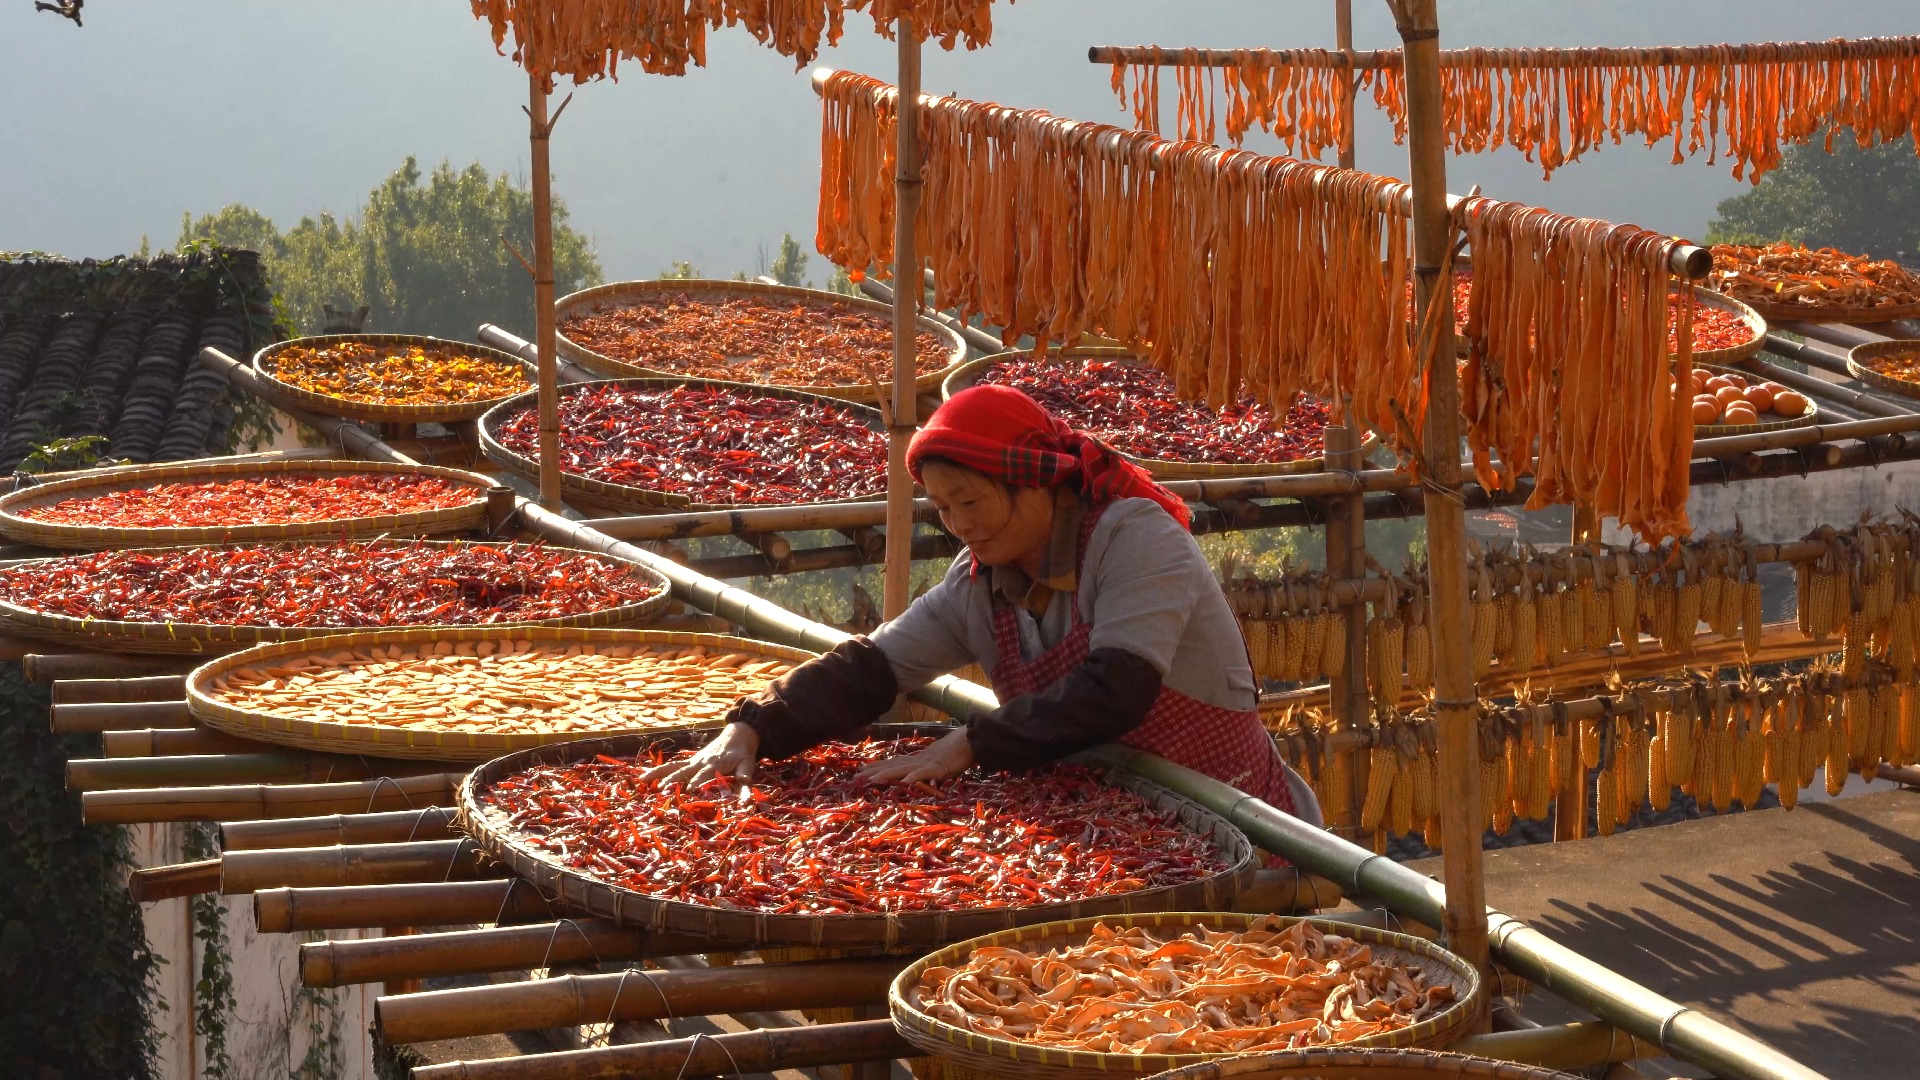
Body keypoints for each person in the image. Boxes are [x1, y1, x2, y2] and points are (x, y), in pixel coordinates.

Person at [646, 383, 1321, 823]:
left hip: (1238, 823)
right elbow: (873, 669)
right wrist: (757, 727)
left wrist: (971, 741)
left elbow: (1119, 687)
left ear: (1037, 486)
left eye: (971, 501)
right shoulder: (978, 584)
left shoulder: (1133, 536)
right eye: (944, 509)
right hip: (1111, 833)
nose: (959, 524)